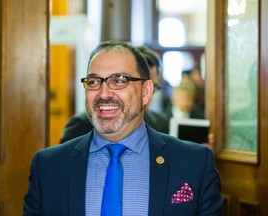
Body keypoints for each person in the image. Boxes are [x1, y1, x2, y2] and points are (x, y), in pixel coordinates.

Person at [23, 40, 224, 215]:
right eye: (93, 82)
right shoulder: (48, 166)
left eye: (118, 81)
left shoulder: (194, 163)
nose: (104, 93)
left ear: (146, 92)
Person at [59, 45, 169, 143]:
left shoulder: (162, 124)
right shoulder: (81, 125)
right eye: (94, 81)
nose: (104, 94)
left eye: (154, 87)